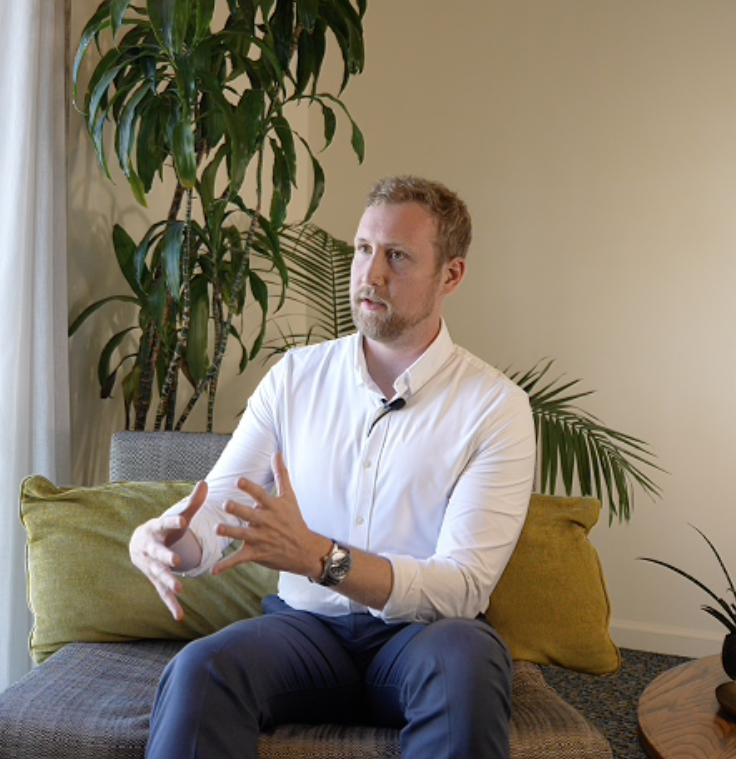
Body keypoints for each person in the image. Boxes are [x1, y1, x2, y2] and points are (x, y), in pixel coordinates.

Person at [130, 175, 536, 759]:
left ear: (451, 275)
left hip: (421, 640)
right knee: (202, 668)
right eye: (364, 249)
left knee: (466, 659)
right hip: (305, 634)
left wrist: (324, 559)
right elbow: (220, 503)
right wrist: (172, 540)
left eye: (397, 256)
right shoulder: (294, 377)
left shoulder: (496, 407)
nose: (371, 274)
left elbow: (463, 585)